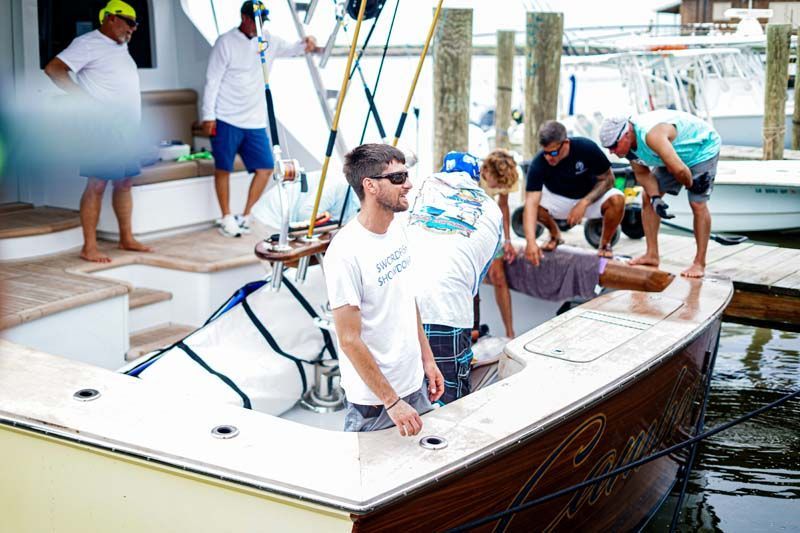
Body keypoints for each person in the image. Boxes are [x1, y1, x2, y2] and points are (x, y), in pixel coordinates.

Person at [325, 144, 445, 435]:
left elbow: (407, 301)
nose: (408, 184)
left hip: (414, 385)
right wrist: (392, 402)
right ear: (370, 186)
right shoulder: (344, 252)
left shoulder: (398, 230)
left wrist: (427, 360)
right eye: (398, 178)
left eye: (406, 175)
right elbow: (349, 339)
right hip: (375, 405)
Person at [44, 0, 152, 263]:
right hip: (101, 130)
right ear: (111, 18)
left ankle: (126, 238)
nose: (133, 29)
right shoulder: (88, 43)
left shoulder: (120, 45)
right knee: (97, 184)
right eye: (130, 22)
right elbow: (54, 69)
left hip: (127, 131)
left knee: (125, 183)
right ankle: (89, 247)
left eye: (136, 24)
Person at [201, 1, 317, 237]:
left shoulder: (269, 40)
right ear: (244, 17)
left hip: (254, 121)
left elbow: (294, 49)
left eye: (263, 19)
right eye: (256, 18)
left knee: (265, 168)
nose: (259, 24)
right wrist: (208, 116)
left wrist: (309, 43)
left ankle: (245, 216)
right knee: (223, 168)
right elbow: (212, 80)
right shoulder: (225, 42)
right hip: (225, 117)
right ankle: (226, 217)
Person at [405, 151, 503, 404]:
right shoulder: (491, 209)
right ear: (475, 179)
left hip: (401, 309)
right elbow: (476, 277)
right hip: (446, 312)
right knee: (449, 402)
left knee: (405, 392)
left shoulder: (414, 192)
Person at [599, 111, 721, 278]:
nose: (612, 152)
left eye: (613, 146)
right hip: (670, 155)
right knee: (647, 198)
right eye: (608, 148)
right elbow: (642, 174)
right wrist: (656, 198)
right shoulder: (627, 148)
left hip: (701, 148)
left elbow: (679, 169)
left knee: (697, 203)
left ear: (626, 134)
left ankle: (699, 263)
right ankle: (652, 255)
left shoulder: (652, 135)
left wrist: (693, 185)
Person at [523, 120, 624, 267]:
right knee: (531, 205)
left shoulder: (586, 147)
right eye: (545, 153)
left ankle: (605, 244)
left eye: (553, 152)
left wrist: (584, 202)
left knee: (618, 199)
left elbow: (608, 179)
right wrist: (530, 242)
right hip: (559, 199)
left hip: (590, 198)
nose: (549, 157)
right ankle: (555, 235)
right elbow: (531, 204)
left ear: (566, 143)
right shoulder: (539, 162)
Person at [479, 149, 519, 339]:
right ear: (487, 172)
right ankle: (472, 328)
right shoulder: (471, 176)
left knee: (499, 276)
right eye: (499, 185)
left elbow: (503, 205)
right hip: (467, 226)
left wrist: (508, 240)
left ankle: (510, 333)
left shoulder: (502, 179)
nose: (501, 189)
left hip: (489, 226)